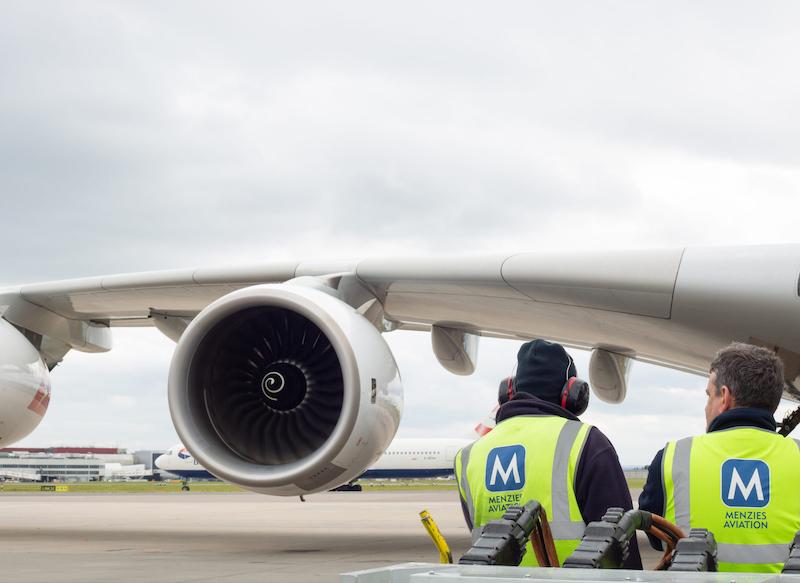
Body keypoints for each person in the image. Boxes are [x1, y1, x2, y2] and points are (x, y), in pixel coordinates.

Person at [455, 339, 641, 568]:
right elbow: (622, 547)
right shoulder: (586, 443)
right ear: (572, 393)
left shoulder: (469, 456)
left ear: (510, 391)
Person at [638, 342, 799, 572]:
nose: (706, 407)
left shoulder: (673, 457)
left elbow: (656, 537)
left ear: (724, 397)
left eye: (708, 395)